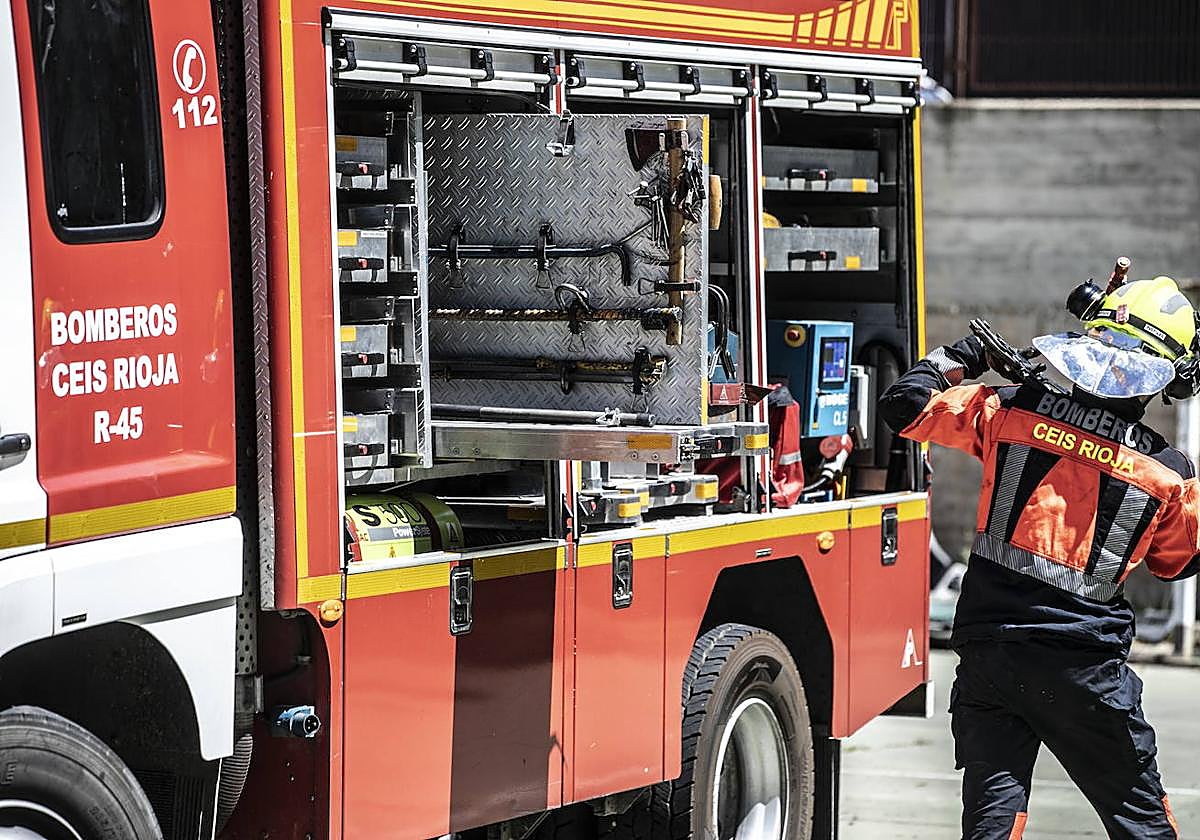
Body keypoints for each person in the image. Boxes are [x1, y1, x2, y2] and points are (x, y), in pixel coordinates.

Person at [879, 274, 1200, 839]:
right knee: (1144, 826)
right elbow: (1178, 563)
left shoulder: (1011, 411)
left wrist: (964, 354)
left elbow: (904, 405)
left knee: (993, 825)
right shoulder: (1166, 472)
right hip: (1083, 672)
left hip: (988, 656)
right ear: (1159, 379)